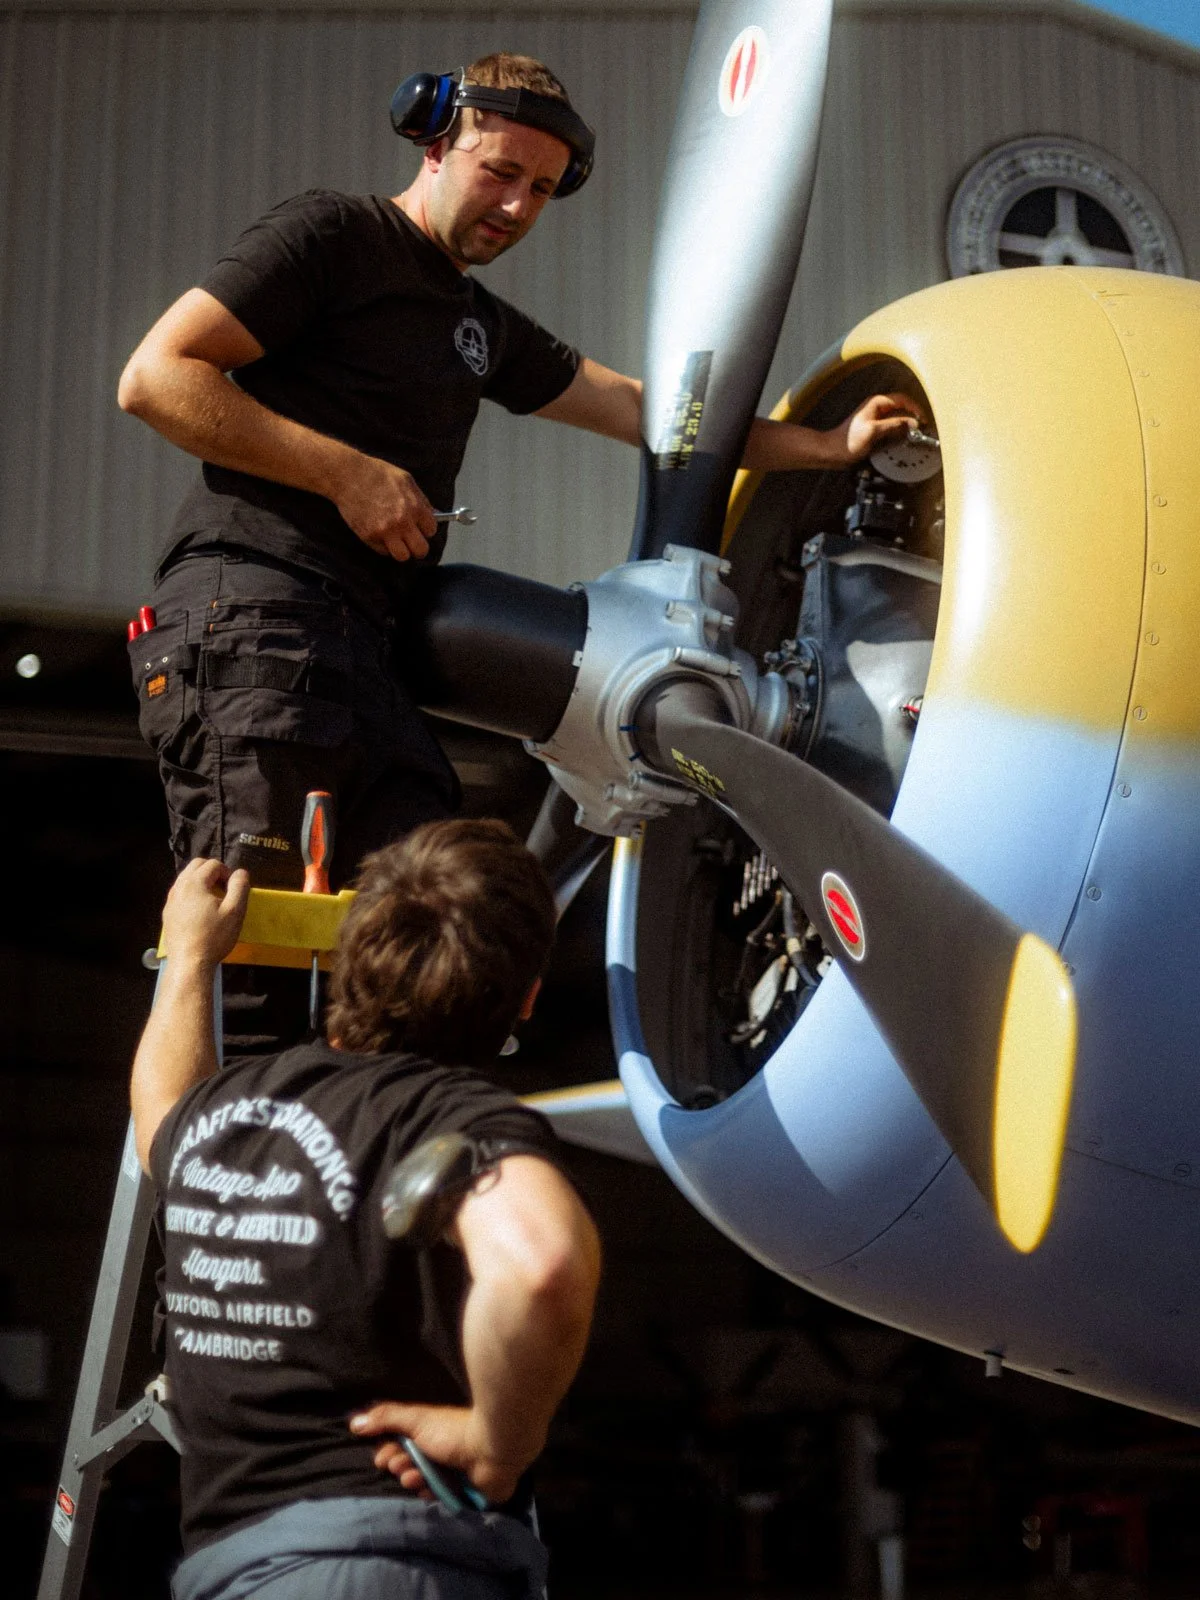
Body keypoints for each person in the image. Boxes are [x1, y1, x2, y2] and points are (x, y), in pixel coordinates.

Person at [118, 49, 918, 902]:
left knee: (410, 947)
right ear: (433, 142)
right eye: (500, 172)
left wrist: (828, 447)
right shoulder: (334, 236)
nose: (515, 206)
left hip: (363, 651)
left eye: (541, 189)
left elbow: (651, 413)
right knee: (262, 947)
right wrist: (346, 473)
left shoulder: (478, 326)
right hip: (256, 620)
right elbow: (157, 377)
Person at [131, 817, 602, 1600]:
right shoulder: (449, 1121)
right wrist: (497, 1439)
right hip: (396, 1566)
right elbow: (540, 1266)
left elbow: (160, 1111)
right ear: (526, 1000)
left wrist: (190, 958)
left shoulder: (216, 1122)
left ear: (348, 956)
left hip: (240, 1577)